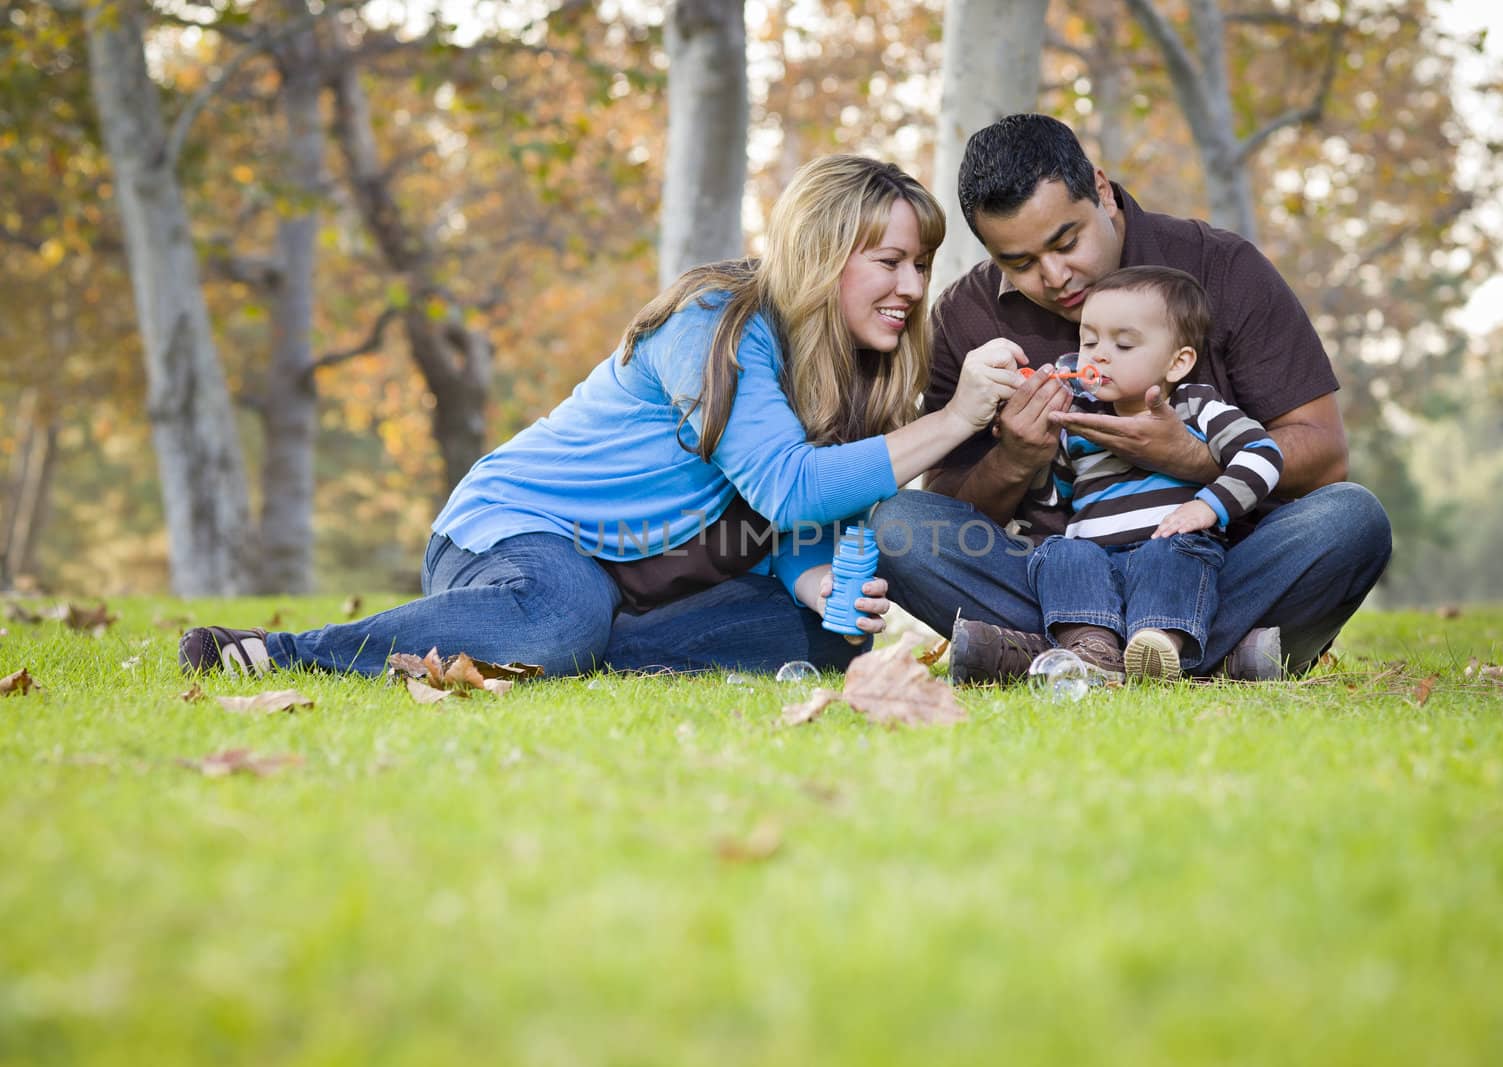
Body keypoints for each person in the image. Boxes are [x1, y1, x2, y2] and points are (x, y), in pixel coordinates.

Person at [179, 155, 1025, 678]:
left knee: (828, 642)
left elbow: (797, 514)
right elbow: (789, 484)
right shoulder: (714, 324)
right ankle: (287, 653)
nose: (913, 288)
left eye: (921, 263)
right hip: (517, 536)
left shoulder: (847, 365)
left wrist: (808, 578)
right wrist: (955, 420)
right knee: (562, 613)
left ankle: (569, 654)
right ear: (822, 254)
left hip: (641, 583)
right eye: (889, 262)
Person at [869, 113, 1392, 683]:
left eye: (1066, 241)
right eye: (1018, 263)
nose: (1055, 276)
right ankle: (1205, 659)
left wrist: (1188, 458)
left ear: (1101, 190)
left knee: (1351, 518)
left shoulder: (1220, 267)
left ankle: (1055, 658)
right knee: (898, 526)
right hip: (1061, 571)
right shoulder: (968, 314)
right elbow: (954, 509)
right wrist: (1015, 461)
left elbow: (1324, 452)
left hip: (1219, 563)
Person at [1007, 266, 1283, 684]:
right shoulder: (1081, 424)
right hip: (1096, 567)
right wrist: (1035, 448)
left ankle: (1158, 644)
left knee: (1171, 553)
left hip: (1166, 550)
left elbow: (1262, 454)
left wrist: (1208, 506)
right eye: (1089, 341)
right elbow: (1051, 498)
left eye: (1122, 344)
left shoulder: (1195, 406)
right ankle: (1093, 647)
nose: (1097, 355)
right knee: (1061, 552)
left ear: (1177, 363)